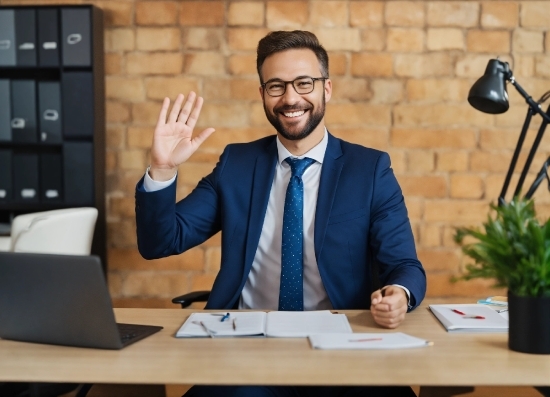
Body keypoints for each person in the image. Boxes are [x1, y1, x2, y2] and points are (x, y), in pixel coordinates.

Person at [136, 30, 425, 397]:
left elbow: (405, 265)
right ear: (262, 95)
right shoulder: (236, 165)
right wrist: (162, 169)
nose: (291, 98)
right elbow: (161, 241)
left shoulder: (369, 170)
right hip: (249, 351)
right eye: (276, 86)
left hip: (341, 351)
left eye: (304, 83)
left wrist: (398, 295)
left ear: (326, 88)